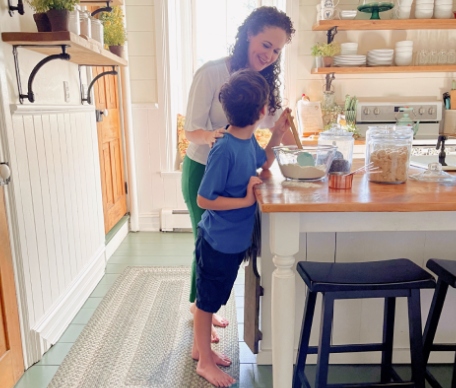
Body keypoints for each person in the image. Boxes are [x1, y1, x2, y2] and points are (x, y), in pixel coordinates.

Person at [182, 6, 296, 343]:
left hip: (238, 166)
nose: (269, 55)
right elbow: (192, 129)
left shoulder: (263, 82)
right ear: (249, 34)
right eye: (265, 44)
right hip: (203, 167)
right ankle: (201, 308)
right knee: (205, 242)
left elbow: (278, 127)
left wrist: (301, 154)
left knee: (215, 247)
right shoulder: (212, 73)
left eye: (277, 50)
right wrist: (217, 137)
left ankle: (203, 306)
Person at [192, 68, 289, 387]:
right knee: (207, 302)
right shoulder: (225, 148)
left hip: (233, 242)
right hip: (217, 241)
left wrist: (276, 135)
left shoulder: (246, 141)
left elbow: (263, 163)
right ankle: (204, 361)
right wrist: (246, 200)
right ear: (262, 111)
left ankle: (205, 351)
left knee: (215, 296)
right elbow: (204, 199)